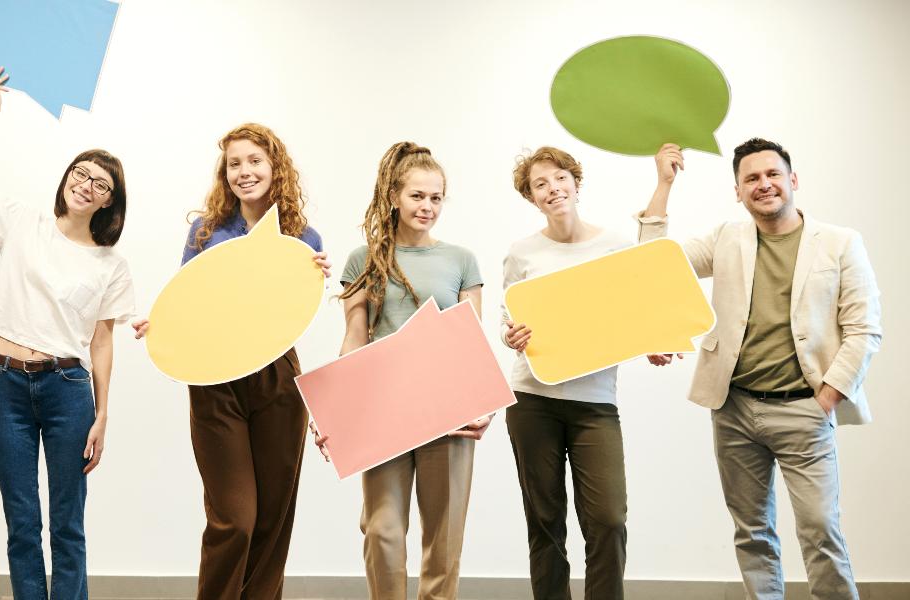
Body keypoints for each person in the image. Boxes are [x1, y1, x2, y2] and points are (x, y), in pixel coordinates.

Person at [641, 139, 881, 600]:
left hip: (804, 410)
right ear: (738, 191)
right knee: (752, 532)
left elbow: (864, 329)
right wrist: (664, 185)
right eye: (751, 178)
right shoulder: (727, 238)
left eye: (772, 174)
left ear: (793, 181)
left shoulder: (839, 243)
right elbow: (653, 265)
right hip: (734, 410)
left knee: (820, 531)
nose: (763, 184)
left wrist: (826, 397)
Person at [0, 66, 135, 600]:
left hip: (68, 391)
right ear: (68, 177)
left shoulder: (110, 264)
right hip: (4, 385)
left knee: (67, 525)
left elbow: (102, 342)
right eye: (82, 172)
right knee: (22, 523)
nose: (87, 183)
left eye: (101, 183)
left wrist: (102, 412)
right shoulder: (23, 221)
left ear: (108, 203)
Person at [131, 123, 330, 600]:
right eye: (235, 164)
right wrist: (158, 324)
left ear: (274, 166)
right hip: (214, 379)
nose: (245, 172)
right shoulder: (205, 232)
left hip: (278, 376)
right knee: (234, 519)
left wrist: (318, 273)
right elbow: (184, 298)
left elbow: (297, 309)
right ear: (225, 173)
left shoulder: (302, 234)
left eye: (254, 161)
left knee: (273, 518)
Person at [328, 141, 487, 600]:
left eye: (436, 197)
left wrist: (483, 406)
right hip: (383, 412)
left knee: (444, 537)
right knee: (382, 532)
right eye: (418, 196)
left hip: (450, 411)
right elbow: (355, 338)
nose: (427, 206)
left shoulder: (461, 260)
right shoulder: (364, 259)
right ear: (395, 196)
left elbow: (470, 340)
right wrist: (336, 409)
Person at [500, 146, 632, 600]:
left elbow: (633, 312)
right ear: (531, 197)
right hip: (532, 400)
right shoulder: (522, 253)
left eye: (559, 178)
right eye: (541, 184)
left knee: (609, 520)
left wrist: (652, 340)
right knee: (545, 520)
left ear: (576, 183)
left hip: (596, 402)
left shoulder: (615, 245)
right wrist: (510, 336)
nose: (553, 189)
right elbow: (510, 319)